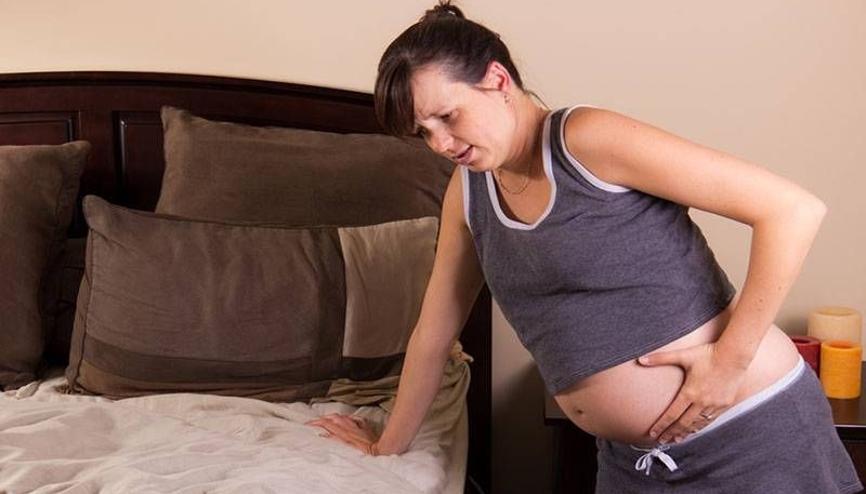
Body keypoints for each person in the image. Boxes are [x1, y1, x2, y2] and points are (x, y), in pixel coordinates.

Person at [307, 2, 863, 492]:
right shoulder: (469, 191)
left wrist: (728, 364)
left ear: (497, 79)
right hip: (634, 462)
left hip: (748, 433)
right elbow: (434, 332)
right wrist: (387, 446)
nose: (441, 143)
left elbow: (792, 211)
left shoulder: (586, 142)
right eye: (423, 132)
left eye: (448, 117)